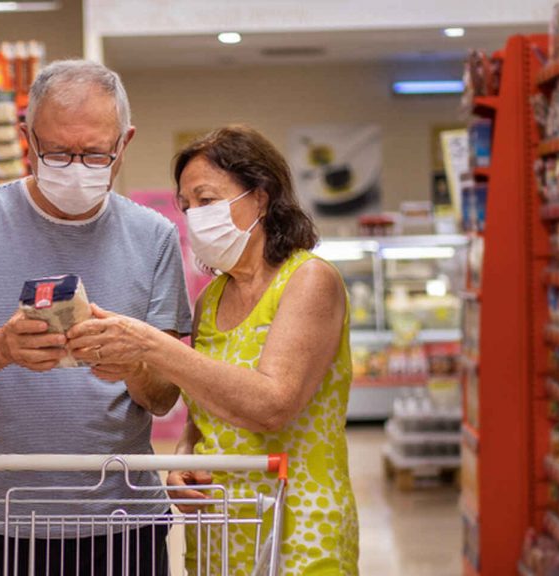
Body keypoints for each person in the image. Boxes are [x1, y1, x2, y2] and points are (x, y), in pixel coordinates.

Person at [0, 60, 191, 575]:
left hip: (122, 516)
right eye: (57, 152)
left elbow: (163, 395)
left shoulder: (155, 237)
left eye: (95, 154)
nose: (76, 167)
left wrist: (133, 362)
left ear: (124, 144)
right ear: (26, 139)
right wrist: (1, 348)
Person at [67, 125, 359, 575]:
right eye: (187, 206)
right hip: (220, 527)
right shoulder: (211, 299)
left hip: (296, 523)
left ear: (260, 196)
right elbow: (204, 414)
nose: (194, 216)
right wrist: (182, 463)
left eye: (207, 200)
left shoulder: (308, 281)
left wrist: (152, 344)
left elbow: (272, 405)